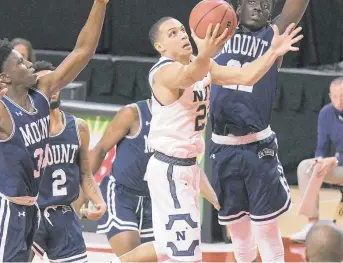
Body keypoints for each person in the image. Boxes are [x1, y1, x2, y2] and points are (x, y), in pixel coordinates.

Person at [110, 15, 303, 263]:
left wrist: (272, 52)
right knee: (188, 254)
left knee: (166, 247)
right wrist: (205, 53)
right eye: (172, 34)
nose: (181, 35)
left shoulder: (201, 64)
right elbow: (188, 76)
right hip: (170, 169)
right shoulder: (163, 72)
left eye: (181, 30)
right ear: (161, 47)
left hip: (189, 166)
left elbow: (246, 77)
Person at [0, 0, 109, 261]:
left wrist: (100, 3)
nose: (30, 65)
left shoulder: (42, 91)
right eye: (20, 63)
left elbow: (83, 51)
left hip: (29, 210)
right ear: (5, 77)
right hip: (4, 207)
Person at [209, 0, 310, 262]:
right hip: (222, 146)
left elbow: (294, 7)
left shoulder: (273, 34)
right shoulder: (219, 31)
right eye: (253, 2)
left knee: (266, 232)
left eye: (266, 4)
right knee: (239, 235)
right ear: (237, 8)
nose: (260, 8)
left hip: (258, 146)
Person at [30, 61, 106, 263]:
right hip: (31, 213)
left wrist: (98, 200)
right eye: (43, 83)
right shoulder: (26, 128)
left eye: (54, 81)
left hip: (64, 214)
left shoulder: (78, 127)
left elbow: (85, 174)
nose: (51, 88)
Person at [90, 98, 155, 256]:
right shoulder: (132, 113)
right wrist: (83, 190)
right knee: (130, 255)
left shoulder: (178, 118)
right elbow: (100, 149)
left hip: (155, 199)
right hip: (121, 194)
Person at [291, 78, 343, 243]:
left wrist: (333, 161)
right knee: (305, 167)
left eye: (342, 96)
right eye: (335, 96)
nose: (339, 101)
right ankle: (312, 225)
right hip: (339, 165)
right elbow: (322, 146)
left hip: (338, 162)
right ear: (330, 96)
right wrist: (319, 160)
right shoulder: (326, 113)